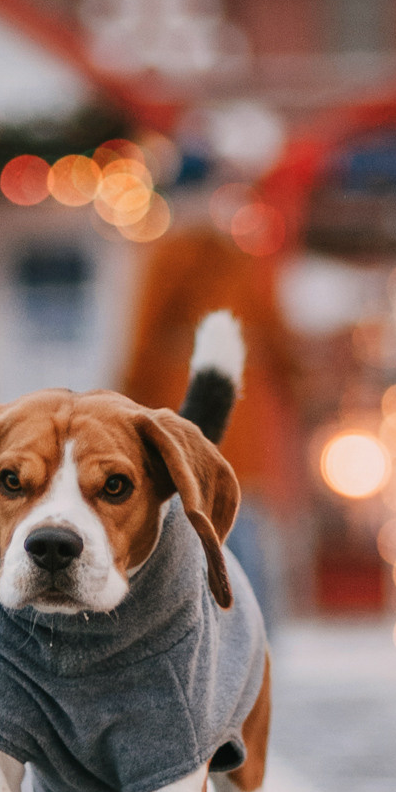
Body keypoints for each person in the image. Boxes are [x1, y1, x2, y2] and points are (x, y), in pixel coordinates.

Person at [118, 220, 304, 633]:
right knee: (246, 534)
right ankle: (256, 640)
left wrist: (127, 408)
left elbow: (142, 342)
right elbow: (280, 344)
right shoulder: (246, 264)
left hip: (178, 421)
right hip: (243, 427)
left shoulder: (164, 259)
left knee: (185, 534)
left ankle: (190, 633)